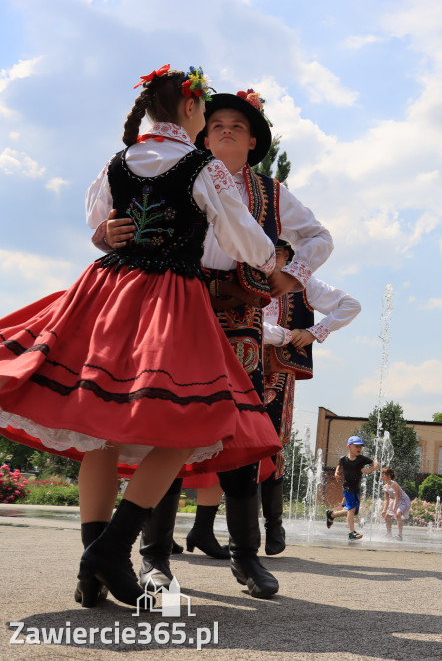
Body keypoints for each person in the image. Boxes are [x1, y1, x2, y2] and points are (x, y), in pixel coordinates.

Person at [0, 65, 282, 608]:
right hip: (170, 299)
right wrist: (273, 261)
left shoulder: (117, 161)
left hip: (105, 295)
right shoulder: (204, 166)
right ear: (191, 109)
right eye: (205, 112)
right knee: (185, 424)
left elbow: (96, 224)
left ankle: (94, 570)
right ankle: (112, 547)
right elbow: (244, 239)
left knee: (100, 429)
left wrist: (105, 234)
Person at [98, 87, 334, 597]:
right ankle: (155, 557)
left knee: (242, 434)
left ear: (253, 142)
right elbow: (115, 218)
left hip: (237, 320)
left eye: (238, 126)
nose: (225, 130)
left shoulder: (272, 192)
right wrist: (110, 232)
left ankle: (246, 557)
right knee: (168, 423)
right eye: (217, 122)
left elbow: (319, 237)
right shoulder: (180, 168)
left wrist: (288, 276)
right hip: (175, 308)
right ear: (201, 130)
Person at [260, 240, 361, 553]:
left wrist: (316, 331)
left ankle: (273, 526)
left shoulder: (303, 283)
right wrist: (287, 335)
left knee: (272, 444)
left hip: (276, 368)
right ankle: (213, 526)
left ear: (288, 256)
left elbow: (350, 305)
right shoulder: (244, 275)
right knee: (223, 441)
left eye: (275, 251)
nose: (267, 257)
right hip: (236, 361)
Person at [327, 436, 380, 540]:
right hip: (347, 488)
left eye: (360, 446)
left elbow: (375, 463)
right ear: (349, 447)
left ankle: (332, 514)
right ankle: (352, 533)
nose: (359, 448)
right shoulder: (343, 459)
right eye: (356, 446)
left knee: (353, 511)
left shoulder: (362, 459)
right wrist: (336, 473)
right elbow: (339, 466)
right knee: (351, 510)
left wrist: (372, 467)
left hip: (356, 489)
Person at [380, 467, 411, 540]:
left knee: (398, 514)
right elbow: (387, 500)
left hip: (403, 500)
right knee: (387, 517)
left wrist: (394, 507)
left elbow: (397, 496)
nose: (381, 478)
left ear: (389, 476)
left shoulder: (394, 484)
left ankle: (400, 535)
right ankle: (389, 534)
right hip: (395, 501)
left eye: (383, 476)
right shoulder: (385, 487)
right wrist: (384, 510)